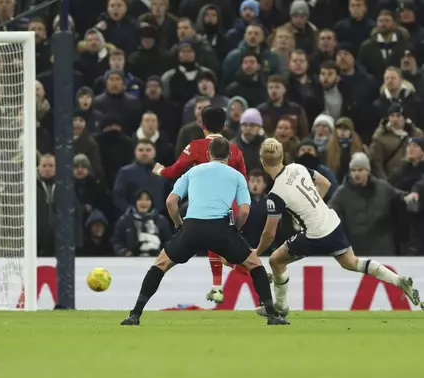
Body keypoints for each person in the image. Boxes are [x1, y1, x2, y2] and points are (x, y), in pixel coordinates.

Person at [121, 138, 289, 326]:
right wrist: (236, 230)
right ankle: (273, 315)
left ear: (209, 154)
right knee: (254, 264)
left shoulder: (193, 172)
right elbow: (244, 210)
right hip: (221, 229)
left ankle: (135, 314)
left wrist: (179, 225)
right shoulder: (237, 176)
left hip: (192, 227)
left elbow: (171, 202)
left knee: (161, 264)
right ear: (229, 155)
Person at [254, 139, 422, 316]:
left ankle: (281, 306)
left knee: (275, 261)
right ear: (282, 157)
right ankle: (398, 280)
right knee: (351, 262)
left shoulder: (275, 194)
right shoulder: (298, 168)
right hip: (331, 223)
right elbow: (325, 184)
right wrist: (313, 205)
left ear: (263, 162)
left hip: (315, 233)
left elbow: (269, 234)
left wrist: (256, 252)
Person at [152, 106, 248, 304]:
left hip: (205, 208)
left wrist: (160, 171)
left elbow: (175, 170)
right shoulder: (235, 149)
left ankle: (224, 282)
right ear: (224, 125)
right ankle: (220, 285)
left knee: (206, 243)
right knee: (225, 247)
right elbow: (243, 178)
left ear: (202, 124)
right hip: (232, 206)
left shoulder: (195, 146)